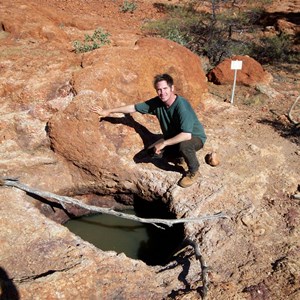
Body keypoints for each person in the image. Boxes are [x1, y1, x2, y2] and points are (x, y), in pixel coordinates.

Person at [91, 73, 206, 188]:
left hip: (194, 137)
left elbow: (186, 135)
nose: (162, 93)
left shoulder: (181, 106)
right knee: (153, 153)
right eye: (159, 90)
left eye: (165, 88)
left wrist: (164, 143)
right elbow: (133, 108)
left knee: (184, 146)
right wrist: (108, 111)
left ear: (172, 88)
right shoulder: (157, 102)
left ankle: (193, 171)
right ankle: (181, 157)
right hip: (173, 137)